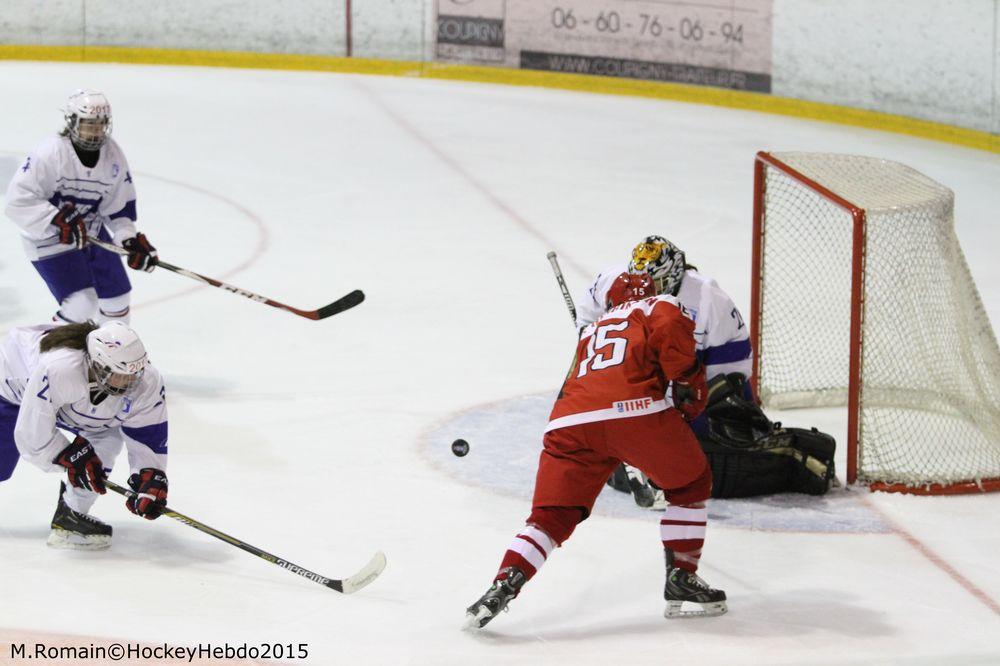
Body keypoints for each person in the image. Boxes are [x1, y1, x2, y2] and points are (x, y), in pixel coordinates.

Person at [465, 273, 726, 629]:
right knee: (691, 482)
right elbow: (670, 332)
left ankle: (504, 582)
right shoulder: (658, 305)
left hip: (568, 424)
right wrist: (687, 379)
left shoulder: (591, 331)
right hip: (633, 413)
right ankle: (682, 576)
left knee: (549, 518)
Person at [580, 236, 834, 502]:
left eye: (655, 283)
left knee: (695, 440)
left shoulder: (707, 297)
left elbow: (721, 369)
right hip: (667, 367)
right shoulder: (612, 279)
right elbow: (589, 311)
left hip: (713, 378)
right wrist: (590, 341)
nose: (646, 289)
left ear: (675, 274)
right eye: (640, 282)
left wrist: (673, 407)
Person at [0, 320, 169, 550]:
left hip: (68, 402)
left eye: (135, 373)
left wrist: (149, 477)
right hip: (10, 387)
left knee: (106, 438)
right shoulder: (59, 369)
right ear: (95, 364)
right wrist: (67, 454)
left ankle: (71, 515)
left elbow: (147, 434)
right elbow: (31, 435)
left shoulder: (147, 380)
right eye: (119, 375)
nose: (130, 382)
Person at [4, 89, 158, 325]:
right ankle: (43, 354)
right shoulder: (51, 153)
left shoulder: (113, 157)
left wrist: (128, 239)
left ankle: (110, 357)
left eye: (100, 124)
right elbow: (18, 200)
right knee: (82, 304)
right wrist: (56, 220)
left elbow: (117, 210)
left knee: (118, 298)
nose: (95, 131)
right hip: (48, 238)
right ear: (72, 122)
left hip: (92, 233)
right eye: (88, 124)